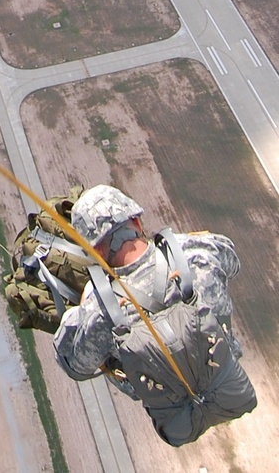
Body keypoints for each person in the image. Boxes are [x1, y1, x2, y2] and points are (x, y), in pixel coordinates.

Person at [53, 184, 256, 446]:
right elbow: (232, 261)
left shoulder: (100, 309)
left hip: (177, 419)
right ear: (136, 221)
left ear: (96, 251)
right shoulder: (195, 253)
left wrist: (78, 313)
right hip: (229, 383)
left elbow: (76, 367)